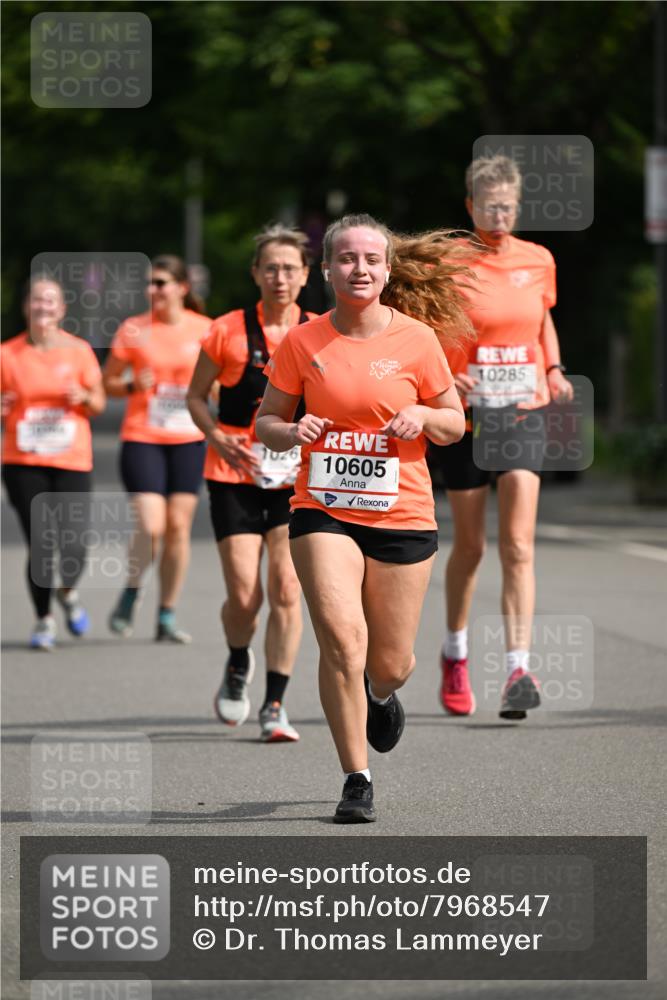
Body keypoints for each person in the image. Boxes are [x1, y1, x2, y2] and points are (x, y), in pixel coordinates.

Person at [255, 213, 475, 822]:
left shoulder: (417, 340)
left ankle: (382, 694)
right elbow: (266, 423)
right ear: (326, 270)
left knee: (390, 661)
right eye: (347, 259)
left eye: (370, 260)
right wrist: (292, 429)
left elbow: (454, 424)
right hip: (322, 508)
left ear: (386, 270)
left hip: (402, 512)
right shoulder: (302, 342)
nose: (360, 269)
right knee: (342, 642)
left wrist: (424, 420)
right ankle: (357, 776)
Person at [430, 155, 574, 721]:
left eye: (507, 205)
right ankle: (455, 653)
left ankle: (518, 666)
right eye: (488, 204)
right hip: (467, 414)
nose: (498, 213)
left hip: (522, 409)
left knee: (518, 545)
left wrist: (555, 369)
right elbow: (429, 327)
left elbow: (542, 320)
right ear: (469, 205)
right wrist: (446, 372)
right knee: (471, 546)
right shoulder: (449, 261)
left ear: (518, 205)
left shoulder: (538, 260)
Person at [187, 225, 316, 742]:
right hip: (235, 474)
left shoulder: (322, 331)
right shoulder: (227, 330)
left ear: (306, 275)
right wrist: (217, 438)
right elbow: (196, 396)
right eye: (271, 267)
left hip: (299, 480)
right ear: (256, 274)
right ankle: (239, 659)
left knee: (286, 588)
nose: (280, 277)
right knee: (245, 597)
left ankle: (275, 704)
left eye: (290, 268)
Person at [103, 255, 211, 643]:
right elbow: (107, 382)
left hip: (188, 438)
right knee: (152, 526)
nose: (153, 290)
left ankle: (166, 613)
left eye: (161, 282)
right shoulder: (133, 329)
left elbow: (222, 381)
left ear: (182, 288)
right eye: (150, 283)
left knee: (179, 528)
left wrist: (211, 390)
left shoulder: (206, 329)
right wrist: (131, 384)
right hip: (143, 436)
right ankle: (133, 588)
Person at [1, 276, 105, 650]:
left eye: (51, 301)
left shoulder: (78, 352)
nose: (43, 307)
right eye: (36, 300)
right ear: (26, 306)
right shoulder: (7, 354)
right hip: (23, 460)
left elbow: (98, 403)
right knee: (42, 543)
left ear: (62, 309)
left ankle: (67, 592)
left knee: (75, 546)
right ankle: (44, 620)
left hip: (71, 459)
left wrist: (84, 397)